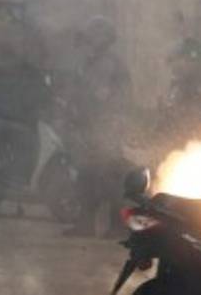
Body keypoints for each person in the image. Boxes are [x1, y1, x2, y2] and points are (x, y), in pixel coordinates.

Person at [63, 16, 130, 237]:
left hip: (105, 126)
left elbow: (110, 97)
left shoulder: (110, 64)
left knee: (110, 179)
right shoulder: (90, 61)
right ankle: (86, 223)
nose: (90, 39)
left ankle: (118, 226)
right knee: (87, 176)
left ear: (105, 38)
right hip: (89, 126)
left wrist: (109, 123)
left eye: (94, 34)